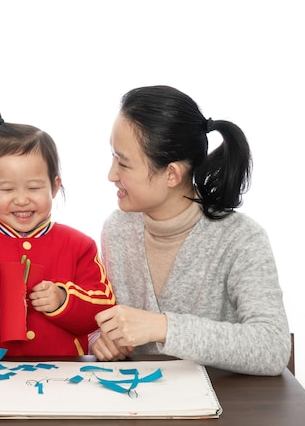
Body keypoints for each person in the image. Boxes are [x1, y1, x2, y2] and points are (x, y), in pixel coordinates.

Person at [92, 85, 291, 376]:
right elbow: (103, 320)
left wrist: (163, 327)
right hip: (141, 407)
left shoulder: (241, 239)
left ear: (171, 174)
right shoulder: (118, 229)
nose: (111, 175)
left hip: (224, 410)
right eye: (113, 156)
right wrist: (102, 339)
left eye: (123, 163)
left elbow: (272, 347)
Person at [0, 104, 116, 357]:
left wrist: (63, 299)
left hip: (63, 377)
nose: (21, 200)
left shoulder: (79, 245)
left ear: (54, 186)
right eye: (7, 189)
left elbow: (103, 303)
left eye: (34, 188)